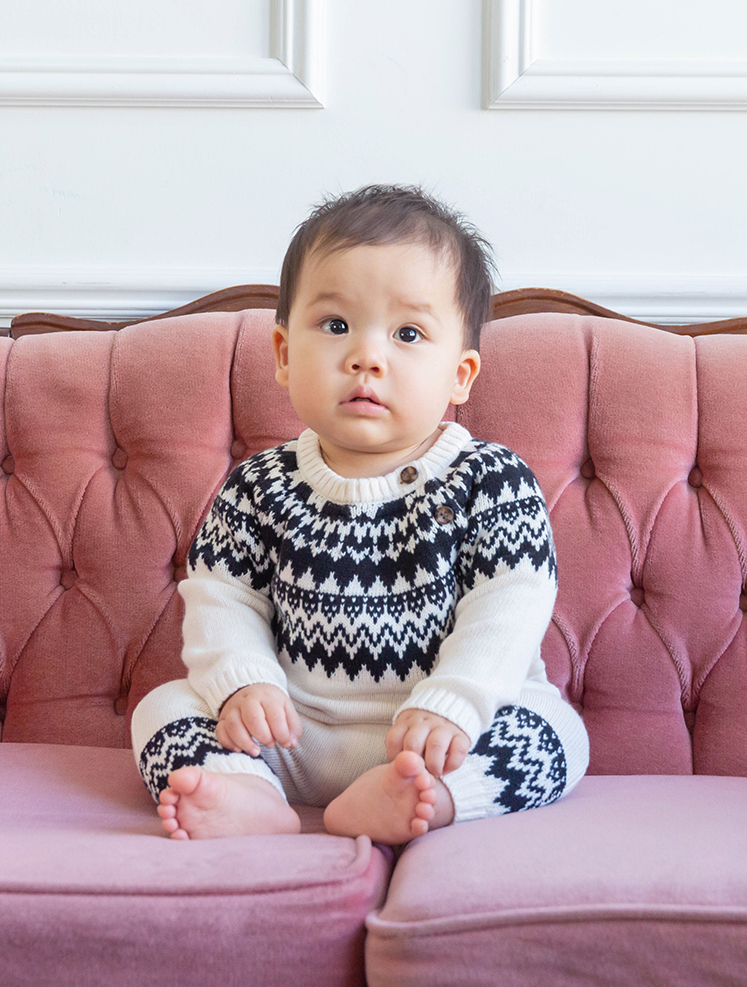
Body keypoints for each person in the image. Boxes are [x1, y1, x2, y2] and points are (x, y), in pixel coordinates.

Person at [130, 183, 589, 844]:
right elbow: (221, 597)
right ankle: (247, 792)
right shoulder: (260, 485)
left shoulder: (491, 480)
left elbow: (510, 606)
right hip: (291, 733)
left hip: (438, 735)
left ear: (460, 375)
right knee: (164, 707)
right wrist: (242, 685)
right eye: (336, 325)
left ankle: (431, 797)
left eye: (408, 333)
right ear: (284, 354)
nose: (366, 357)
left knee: (557, 731)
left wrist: (454, 702)